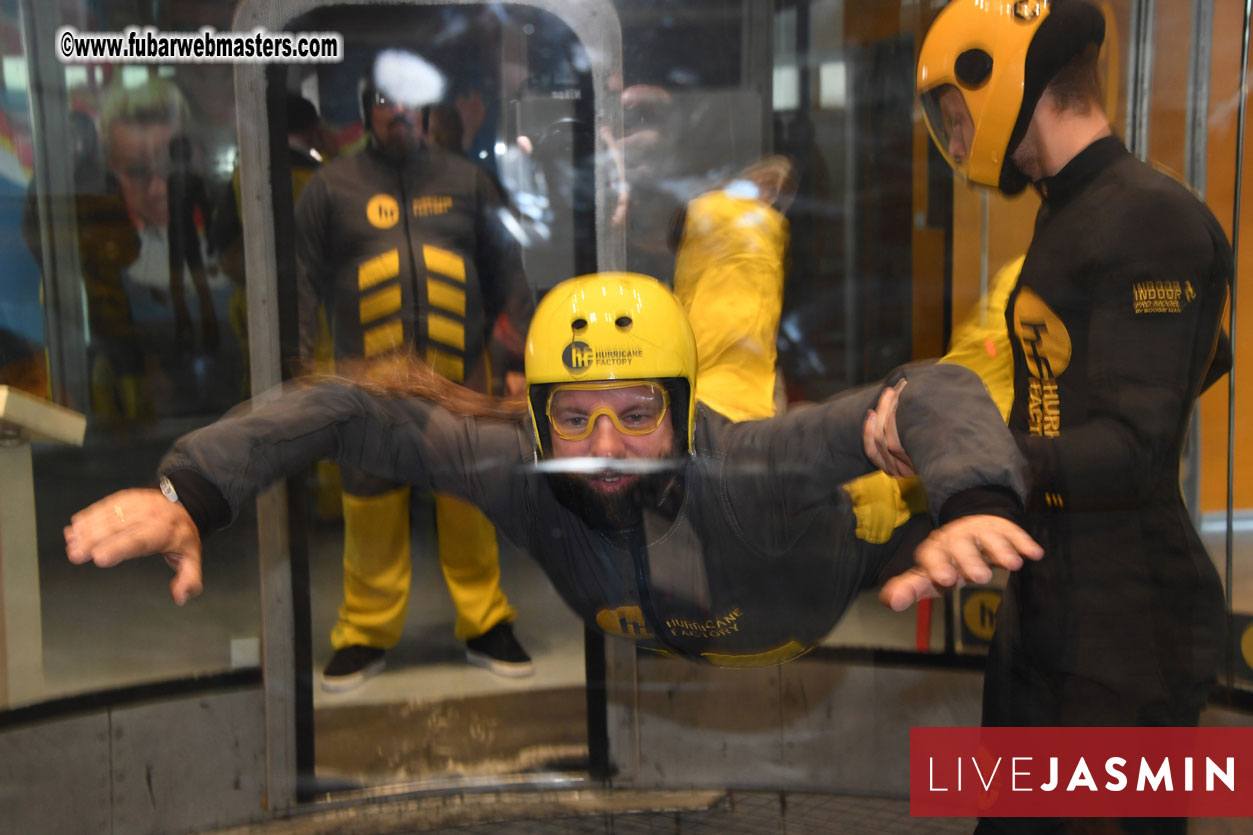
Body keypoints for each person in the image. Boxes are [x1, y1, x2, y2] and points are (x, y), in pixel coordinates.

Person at [64, 271, 1042, 670]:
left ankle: (748, 236)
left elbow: (936, 384)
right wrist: (187, 489)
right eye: (573, 415)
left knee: (923, 385)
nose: (604, 446)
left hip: (845, 533)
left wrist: (972, 497)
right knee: (724, 342)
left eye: (634, 413)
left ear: (674, 407)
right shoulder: (509, 464)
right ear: (535, 413)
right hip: (722, 564)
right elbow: (347, 408)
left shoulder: (752, 460)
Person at [914, 2, 1231, 829]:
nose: (955, 138)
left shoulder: (1149, 218)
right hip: (1052, 600)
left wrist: (978, 457)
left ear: (1009, 84)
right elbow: (1197, 354)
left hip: (1126, 634)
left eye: (957, 114)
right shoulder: (1071, 209)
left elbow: (1131, 446)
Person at [296, 49, 536, 690]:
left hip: (463, 384)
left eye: (407, 99)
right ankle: (365, 633)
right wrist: (297, 376)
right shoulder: (330, 190)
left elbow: (509, 276)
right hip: (370, 393)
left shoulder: (469, 181)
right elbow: (300, 287)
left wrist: (514, 365)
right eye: (383, 100)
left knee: (471, 503)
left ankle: (487, 622)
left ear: (425, 107)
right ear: (366, 111)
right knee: (369, 506)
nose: (397, 111)